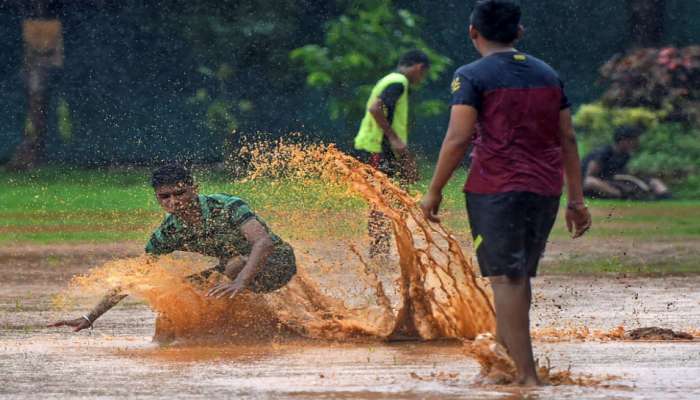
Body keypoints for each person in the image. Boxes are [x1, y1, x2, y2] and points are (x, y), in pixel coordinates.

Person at [419, 0, 591, 386]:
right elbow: (567, 137)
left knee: (506, 278)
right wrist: (576, 200)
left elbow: (459, 136)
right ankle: (502, 364)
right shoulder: (548, 73)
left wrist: (434, 190)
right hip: (544, 189)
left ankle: (526, 378)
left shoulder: (471, 75)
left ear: (472, 32)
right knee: (518, 275)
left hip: (495, 188)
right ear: (519, 33)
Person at [49, 164, 297, 332]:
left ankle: (236, 319)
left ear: (194, 189)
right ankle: (237, 330)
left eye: (179, 193)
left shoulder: (228, 205)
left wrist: (241, 281)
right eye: (164, 197)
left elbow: (263, 243)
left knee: (233, 265)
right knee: (183, 291)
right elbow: (136, 276)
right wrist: (90, 317)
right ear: (158, 198)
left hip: (279, 263)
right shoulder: (167, 233)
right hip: (237, 272)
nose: (173, 202)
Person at [354, 49, 430, 258]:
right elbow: (375, 108)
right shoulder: (399, 82)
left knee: (384, 198)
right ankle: (379, 253)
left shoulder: (390, 79)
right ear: (419, 68)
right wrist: (394, 137)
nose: (420, 78)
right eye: (422, 74)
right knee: (379, 200)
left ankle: (382, 249)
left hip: (377, 148)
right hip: (377, 148)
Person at [582, 125, 671, 200]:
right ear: (623, 140)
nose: (637, 143)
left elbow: (620, 174)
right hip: (591, 185)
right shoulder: (604, 152)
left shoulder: (625, 155)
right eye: (634, 140)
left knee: (653, 181)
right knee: (591, 182)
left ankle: (664, 196)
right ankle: (623, 195)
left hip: (610, 182)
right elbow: (590, 176)